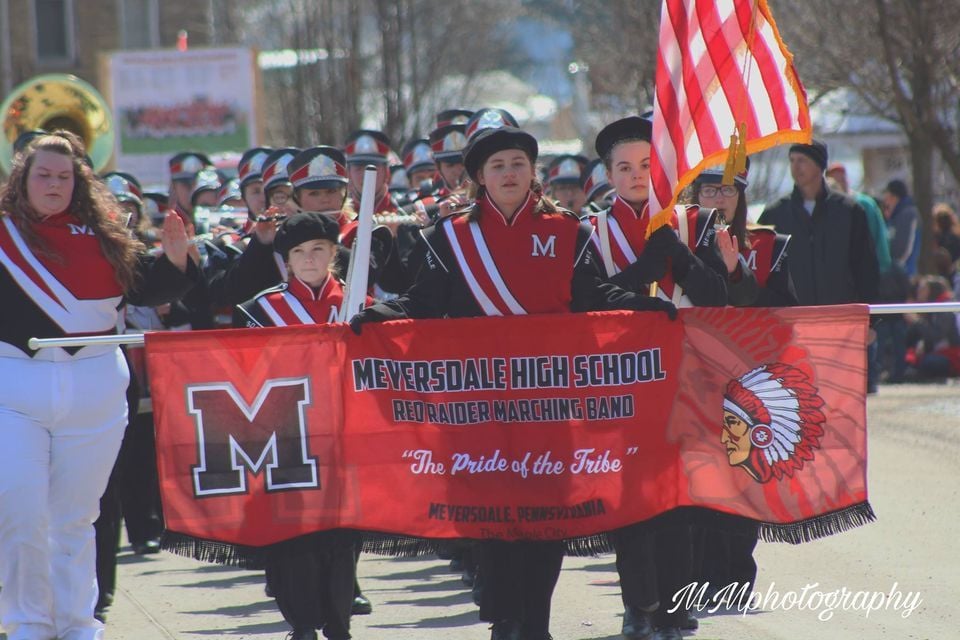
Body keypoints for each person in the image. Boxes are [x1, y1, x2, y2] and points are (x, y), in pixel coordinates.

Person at [349, 125, 676, 640]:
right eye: (498, 166)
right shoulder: (452, 235)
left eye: (518, 164)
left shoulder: (569, 230)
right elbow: (425, 303)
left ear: (532, 173)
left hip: (550, 406)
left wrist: (644, 308)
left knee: (547, 520)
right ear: (480, 177)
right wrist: (377, 316)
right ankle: (506, 615)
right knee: (491, 516)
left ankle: (534, 623)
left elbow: (593, 296)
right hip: (478, 409)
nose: (509, 174)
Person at [0, 131, 197, 640]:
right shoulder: (4, 232)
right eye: (43, 174)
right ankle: (27, 621)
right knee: (20, 509)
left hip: (94, 383)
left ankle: (77, 623)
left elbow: (146, 286)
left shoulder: (106, 232)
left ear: (78, 182)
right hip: (15, 382)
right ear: (22, 176)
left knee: (76, 517)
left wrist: (176, 260)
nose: (54, 184)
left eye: (64, 176)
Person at [586, 115, 726, 640]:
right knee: (630, 496)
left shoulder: (695, 222)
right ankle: (636, 604)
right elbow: (584, 302)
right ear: (609, 175)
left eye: (646, 165)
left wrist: (681, 260)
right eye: (624, 167)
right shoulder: (591, 230)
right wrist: (644, 272)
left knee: (679, 494)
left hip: (686, 376)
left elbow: (719, 297)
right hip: (619, 381)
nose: (636, 175)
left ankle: (675, 603)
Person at [234, 213, 358, 640]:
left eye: (318, 249)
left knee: (342, 536)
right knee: (293, 534)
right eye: (299, 252)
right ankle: (303, 622)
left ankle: (339, 621)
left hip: (346, 435)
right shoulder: (260, 309)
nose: (309, 259)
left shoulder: (359, 302)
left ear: (333, 254)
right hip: (287, 438)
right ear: (286, 260)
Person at [758, 141, 878, 306]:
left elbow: (866, 269)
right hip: (792, 320)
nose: (795, 166)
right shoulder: (775, 214)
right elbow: (762, 271)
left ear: (819, 165)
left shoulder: (849, 211)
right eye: (792, 160)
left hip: (841, 317)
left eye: (802, 160)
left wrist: (870, 322)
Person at [881, 179, 921, 278]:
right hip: (897, 273)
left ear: (893, 196)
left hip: (903, 275)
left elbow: (901, 249)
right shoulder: (897, 215)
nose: (885, 199)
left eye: (886, 194)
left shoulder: (907, 214)